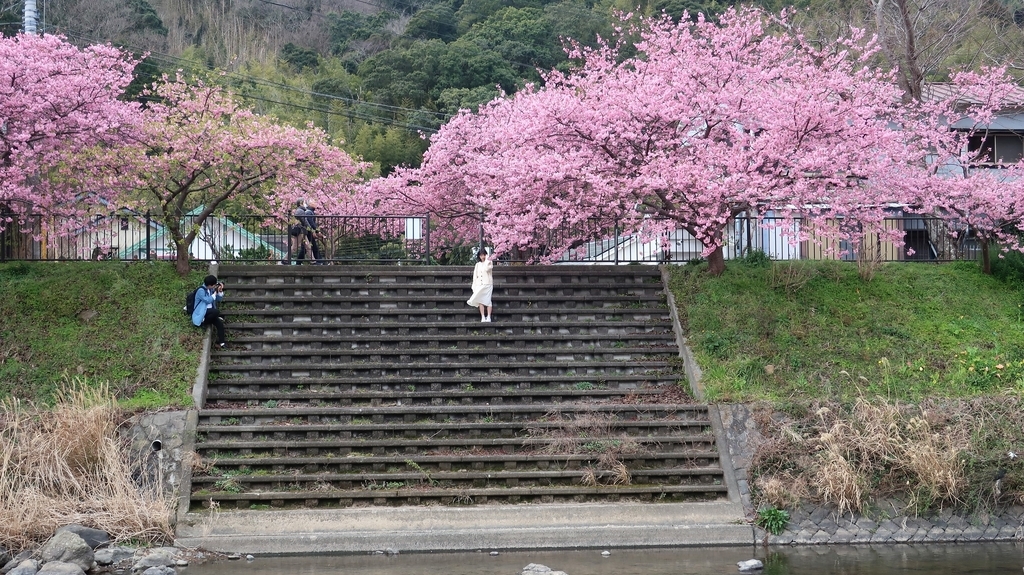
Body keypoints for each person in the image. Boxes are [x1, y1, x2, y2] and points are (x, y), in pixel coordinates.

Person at [192, 274, 227, 348]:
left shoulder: (210, 289)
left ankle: (222, 343)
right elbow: (207, 300)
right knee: (216, 312)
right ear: (210, 285)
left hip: (209, 312)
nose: (215, 286)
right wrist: (214, 293)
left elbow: (218, 299)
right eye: (214, 285)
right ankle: (202, 321)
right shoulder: (201, 290)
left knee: (220, 324)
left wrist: (219, 291)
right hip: (202, 312)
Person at [466, 247, 494, 322]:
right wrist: (474, 285)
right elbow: (475, 276)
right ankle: (482, 316)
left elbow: (487, 269)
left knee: (488, 300)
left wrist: (487, 259)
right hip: (479, 284)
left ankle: (488, 316)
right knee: (480, 300)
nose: (482, 257)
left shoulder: (489, 263)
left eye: (484, 255)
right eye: (481, 255)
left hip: (487, 284)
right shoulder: (477, 265)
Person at [297, 200, 324, 264]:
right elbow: (311, 223)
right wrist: (316, 231)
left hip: (308, 231)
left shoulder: (310, 211)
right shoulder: (309, 212)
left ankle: (318, 262)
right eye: (314, 202)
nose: (316, 203)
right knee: (310, 248)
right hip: (309, 232)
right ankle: (319, 262)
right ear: (310, 204)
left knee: (307, 248)